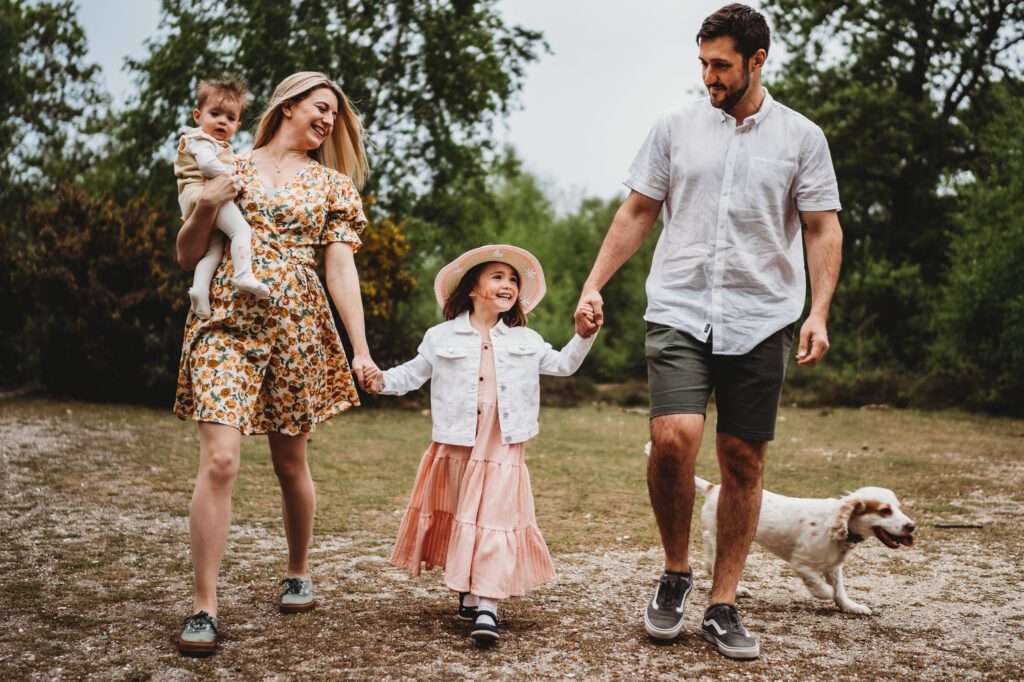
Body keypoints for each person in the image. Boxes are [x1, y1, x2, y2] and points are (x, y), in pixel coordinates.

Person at [573, 4, 843, 660]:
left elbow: (821, 227)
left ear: (758, 60)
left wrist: (818, 311)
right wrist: (594, 282)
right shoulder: (674, 129)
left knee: (743, 459)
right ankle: (675, 572)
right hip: (680, 308)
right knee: (673, 439)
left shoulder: (801, 138)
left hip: (762, 316)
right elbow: (638, 210)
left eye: (721, 65)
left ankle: (723, 604)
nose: (709, 77)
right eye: (702, 63)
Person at [172, 71, 377, 655]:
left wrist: (360, 348)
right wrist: (206, 206)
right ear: (287, 106)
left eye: (334, 116)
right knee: (220, 460)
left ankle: (297, 568)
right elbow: (190, 256)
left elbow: (341, 270)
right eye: (319, 108)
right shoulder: (225, 161)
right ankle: (203, 608)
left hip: (297, 328)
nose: (328, 121)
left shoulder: (334, 186)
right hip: (225, 323)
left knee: (291, 462)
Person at [364, 245, 599, 643]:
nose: (508, 285)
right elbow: (412, 374)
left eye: (513, 280)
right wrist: (380, 380)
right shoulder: (441, 336)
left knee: (494, 520)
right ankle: (470, 590)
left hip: (503, 444)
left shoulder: (526, 338)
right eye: (497, 277)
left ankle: (487, 607)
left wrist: (583, 337)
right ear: (472, 288)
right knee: (463, 517)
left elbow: (563, 364)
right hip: (457, 443)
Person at [175, 77, 269, 320]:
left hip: (197, 198)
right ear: (198, 116)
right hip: (202, 194)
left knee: (214, 249)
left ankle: (199, 290)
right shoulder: (200, 140)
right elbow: (207, 166)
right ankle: (243, 275)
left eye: (229, 118)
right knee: (241, 231)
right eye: (214, 113)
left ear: (237, 125)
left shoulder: (217, 145)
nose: (221, 121)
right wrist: (235, 180)